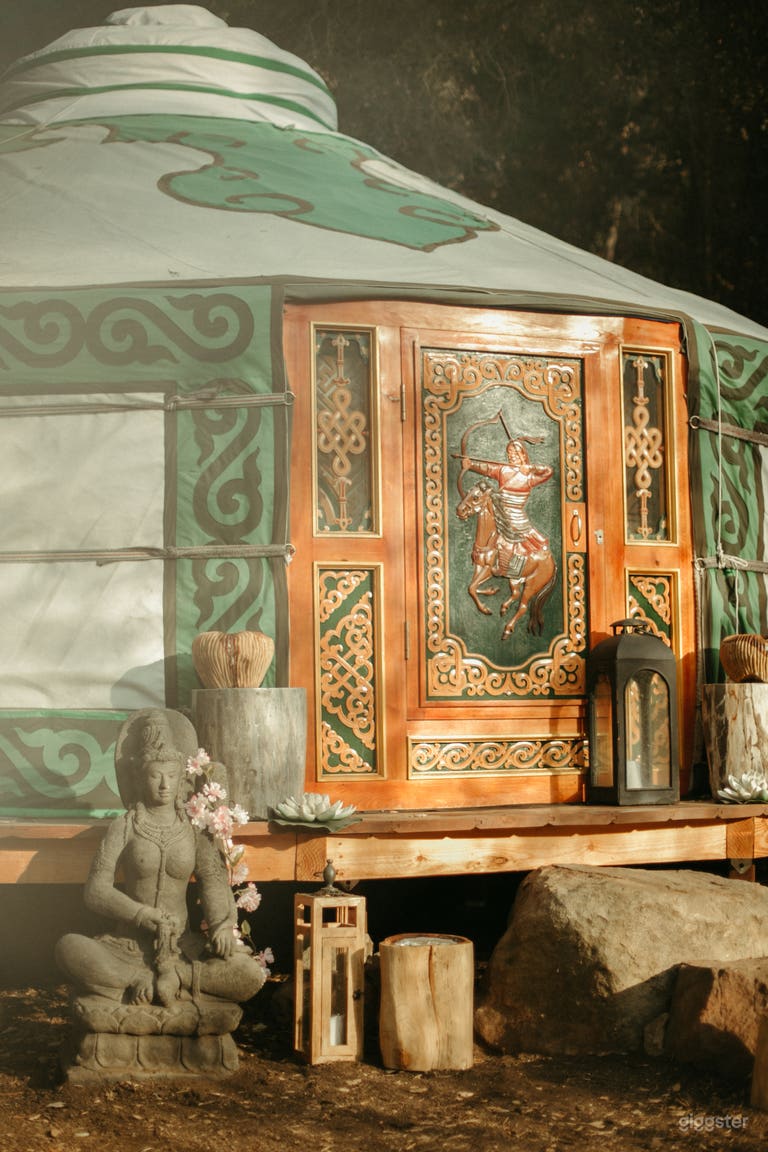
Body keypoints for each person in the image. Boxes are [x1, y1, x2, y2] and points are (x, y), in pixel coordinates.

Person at [56, 708, 265, 1008]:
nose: (164, 785)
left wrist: (221, 925)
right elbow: (96, 891)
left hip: (183, 947)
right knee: (68, 948)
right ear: (139, 779)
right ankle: (135, 981)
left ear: (183, 780)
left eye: (171, 776)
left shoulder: (193, 830)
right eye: (155, 775)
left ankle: (175, 977)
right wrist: (142, 914)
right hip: (129, 947)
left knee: (249, 973)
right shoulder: (125, 826)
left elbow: (214, 881)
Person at [461, 438, 553, 557]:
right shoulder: (503, 470)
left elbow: (548, 471)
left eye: (515, 453)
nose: (512, 456)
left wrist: (531, 468)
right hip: (499, 512)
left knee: (533, 540)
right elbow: (488, 469)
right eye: (509, 453)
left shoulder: (529, 477)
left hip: (516, 517)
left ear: (523, 455)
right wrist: (471, 465)